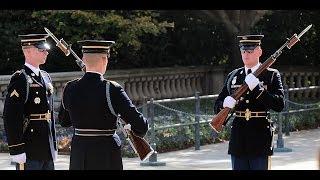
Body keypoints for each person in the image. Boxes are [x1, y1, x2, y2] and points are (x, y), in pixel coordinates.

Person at [58, 40, 149, 170]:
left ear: (84, 59)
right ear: (104, 59)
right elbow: (141, 126)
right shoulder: (112, 89)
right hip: (106, 154)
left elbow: (64, 121)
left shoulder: (70, 87)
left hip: (79, 154)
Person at [214, 35, 285, 170]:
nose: (246, 54)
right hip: (238, 140)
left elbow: (279, 104)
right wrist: (224, 104)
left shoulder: (271, 75)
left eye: (250, 51)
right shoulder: (233, 76)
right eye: (243, 51)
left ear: (259, 52)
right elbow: (217, 105)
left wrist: (258, 89)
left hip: (260, 138)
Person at [3, 34, 57, 170]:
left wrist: (54, 145)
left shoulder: (45, 76)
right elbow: (11, 117)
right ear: (28, 51)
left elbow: (50, 116)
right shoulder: (21, 78)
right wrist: (17, 149)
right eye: (41, 49)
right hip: (29, 148)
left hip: (46, 147)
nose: (46, 52)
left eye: (46, 49)